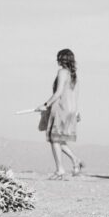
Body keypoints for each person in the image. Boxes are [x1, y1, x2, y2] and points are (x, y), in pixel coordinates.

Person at [35, 48, 83, 180]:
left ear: (61, 59)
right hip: (71, 110)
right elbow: (75, 95)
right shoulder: (74, 75)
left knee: (54, 139)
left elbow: (58, 92)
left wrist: (45, 105)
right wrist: (76, 111)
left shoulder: (62, 72)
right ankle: (76, 160)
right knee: (59, 139)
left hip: (61, 109)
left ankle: (60, 170)